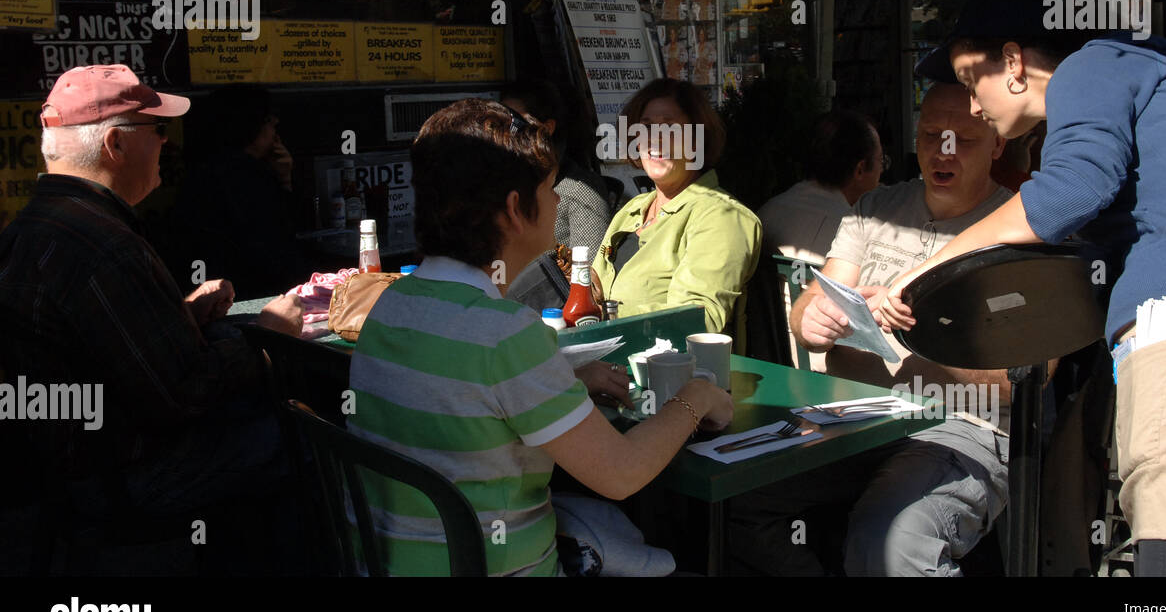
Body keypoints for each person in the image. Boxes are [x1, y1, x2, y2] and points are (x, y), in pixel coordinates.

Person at [880, 0, 1166, 577]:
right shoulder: (1152, 84)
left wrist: (925, 269)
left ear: (1016, 61)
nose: (972, 107)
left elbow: (1069, 192)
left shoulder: (1093, 65)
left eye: (972, 81)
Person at [346, 99, 733, 576]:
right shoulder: (506, 334)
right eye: (551, 189)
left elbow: (464, 390)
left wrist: (565, 373)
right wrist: (696, 396)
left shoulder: (391, 304)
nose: (559, 202)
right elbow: (622, 473)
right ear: (514, 209)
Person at [0, 65, 303, 575]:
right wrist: (267, 340)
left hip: (64, 472)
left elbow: (91, 345)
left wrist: (180, 313)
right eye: (158, 131)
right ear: (116, 144)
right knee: (305, 434)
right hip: (125, 476)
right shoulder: (103, 245)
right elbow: (187, 393)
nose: (167, 143)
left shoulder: (30, 228)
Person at [728, 83, 1014, 576]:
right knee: (738, 501)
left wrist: (920, 336)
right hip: (852, 416)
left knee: (890, 541)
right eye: (930, 135)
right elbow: (814, 304)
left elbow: (1023, 379)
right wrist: (813, 321)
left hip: (959, 427)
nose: (942, 152)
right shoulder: (874, 209)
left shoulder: (1018, 226)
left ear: (998, 144)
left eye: (962, 139)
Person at [590, 78, 762, 351]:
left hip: (675, 380)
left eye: (670, 127)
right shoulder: (632, 210)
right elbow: (592, 288)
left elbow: (697, 321)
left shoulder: (721, 216)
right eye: (645, 127)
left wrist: (609, 320)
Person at [167, 84, 310, 298]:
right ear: (253, 127)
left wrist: (284, 177)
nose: (276, 125)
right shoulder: (244, 176)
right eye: (269, 120)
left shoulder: (207, 170)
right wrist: (284, 182)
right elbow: (277, 244)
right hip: (247, 294)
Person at [757, 110, 883, 266]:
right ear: (860, 169)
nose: (882, 171)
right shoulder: (856, 233)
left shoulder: (766, 212)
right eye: (881, 161)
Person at [499, 78, 610, 254]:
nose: (507, 132)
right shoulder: (500, 180)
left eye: (516, 123)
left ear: (547, 127)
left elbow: (589, 271)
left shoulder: (579, 190)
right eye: (501, 122)